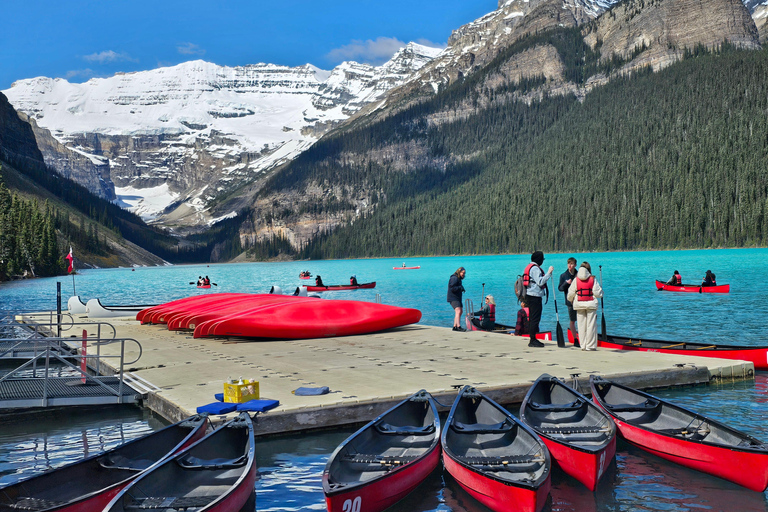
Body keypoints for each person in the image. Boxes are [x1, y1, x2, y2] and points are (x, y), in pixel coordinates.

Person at [567, 262, 603, 351]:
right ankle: (590, 346)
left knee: (581, 325)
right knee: (591, 325)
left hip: (579, 304)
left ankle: (583, 345)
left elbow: (570, 293)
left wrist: (570, 299)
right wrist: (602, 293)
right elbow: (598, 293)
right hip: (591, 304)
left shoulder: (576, 279)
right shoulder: (592, 279)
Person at [524, 251, 554, 347]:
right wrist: (549, 273)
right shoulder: (535, 269)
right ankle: (532, 340)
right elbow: (540, 282)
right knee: (535, 319)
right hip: (534, 296)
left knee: (532, 318)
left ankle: (533, 338)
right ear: (539, 260)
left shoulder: (529, 267)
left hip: (530, 295)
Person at [558, 257, 578, 342]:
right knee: (572, 320)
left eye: (572, 263)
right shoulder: (563, 275)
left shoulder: (579, 274)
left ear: (575, 265)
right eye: (568, 263)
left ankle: (582, 336)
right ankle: (575, 339)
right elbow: (560, 288)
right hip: (570, 302)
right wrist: (566, 283)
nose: (570, 265)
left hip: (579, 301)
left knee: (581, 320)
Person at [447, 267, 467, 331]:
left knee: (460, 311)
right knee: (458, 311)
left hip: (457, 297)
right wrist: (459, 288)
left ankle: (455, 326)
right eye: (462, 273)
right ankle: (458, 326)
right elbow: (452, 288)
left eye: (464, 273)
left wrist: (461, 288)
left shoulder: (458, 279)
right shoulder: (454, 278)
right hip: (453, 297)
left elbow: (457, 287)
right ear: (459, 272)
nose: (463, 274)